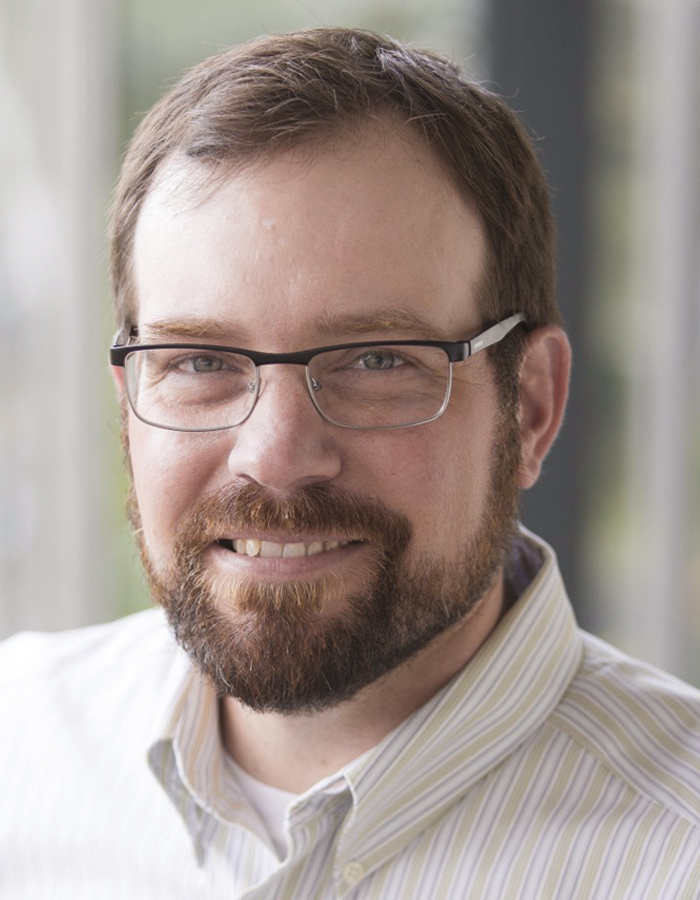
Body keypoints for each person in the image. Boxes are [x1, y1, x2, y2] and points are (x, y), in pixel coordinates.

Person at [1, 27, 699, 900]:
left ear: (530, 408)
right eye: (201, 363)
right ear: (127, 406)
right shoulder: (18, 748)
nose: (277, 458)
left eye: (377, 360)